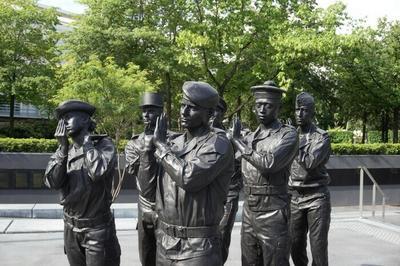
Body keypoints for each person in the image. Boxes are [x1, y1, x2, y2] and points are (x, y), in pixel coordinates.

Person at [153, 81, 234, 265]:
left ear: (210, 114)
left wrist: (161, 147)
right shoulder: (174, 143)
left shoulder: (218, 143)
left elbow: (188, 178)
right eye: (183, 105)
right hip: (165, 242)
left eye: (192, 108)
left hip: (198, 247)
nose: (184, 112)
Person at [44, 100, 121, 266]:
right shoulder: (64, 151)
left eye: (69, 117)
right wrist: (63, 150)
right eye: (62, 119)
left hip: (97, 232)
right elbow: (53, 182)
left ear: (85, 120)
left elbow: (98, 172)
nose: (64, 123)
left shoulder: (103, 146)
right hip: (71, 229)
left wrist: (87, 145)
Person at [230, 81, 298, 266]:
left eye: (267, 106)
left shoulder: (288, 135)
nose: (261, 109)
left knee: (275, 261)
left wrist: (237, 142)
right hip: (249, 211)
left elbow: (269, 163)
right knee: (249, 261)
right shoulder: (250, 137)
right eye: (258, 105)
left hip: (273, 211)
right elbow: (233, 167)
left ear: (278, 108)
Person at [289, 92, 331, 266]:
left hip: (316, 197)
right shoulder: (290, 135)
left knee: (318, 247)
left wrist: (293, 141)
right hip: (294, 197)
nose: (299, 114)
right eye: (297, 110)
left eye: (304, 110)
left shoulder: (321, 137)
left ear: (312, 113)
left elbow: (310, 161)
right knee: (295, 245)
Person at [125, 92, 164, 266]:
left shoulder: (175, 139)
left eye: (151, 111)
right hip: (145, 205)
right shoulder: (134, 144)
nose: (146, 115)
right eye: (144, 111)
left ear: (161, 113)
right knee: (147, 255)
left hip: (167, 205)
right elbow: (139, 174)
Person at [211, 97, 242, 264]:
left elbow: (239, 164)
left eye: (216, 110)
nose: (211, 114)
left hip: (228, 193)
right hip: (206, 193)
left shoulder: (230, 138)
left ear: (222, 114)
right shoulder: (199, 134)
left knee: (222, 235)